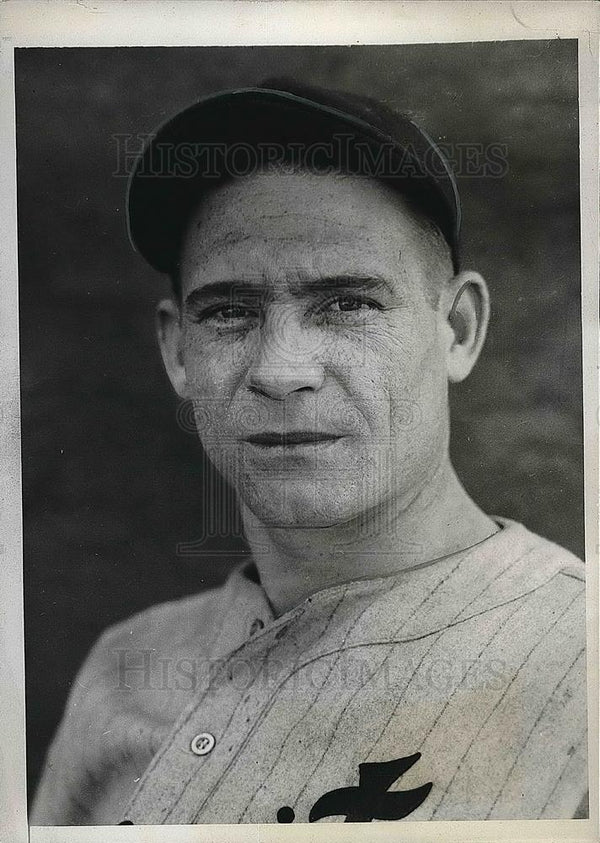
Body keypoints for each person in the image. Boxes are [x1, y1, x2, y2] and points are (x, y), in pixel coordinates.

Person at [31, 78, 587, 825]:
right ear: (177, 351)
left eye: (348, 303)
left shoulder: (578, 665)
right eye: (229, 312)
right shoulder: (124, 664)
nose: (280, 369)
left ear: (457, 329)